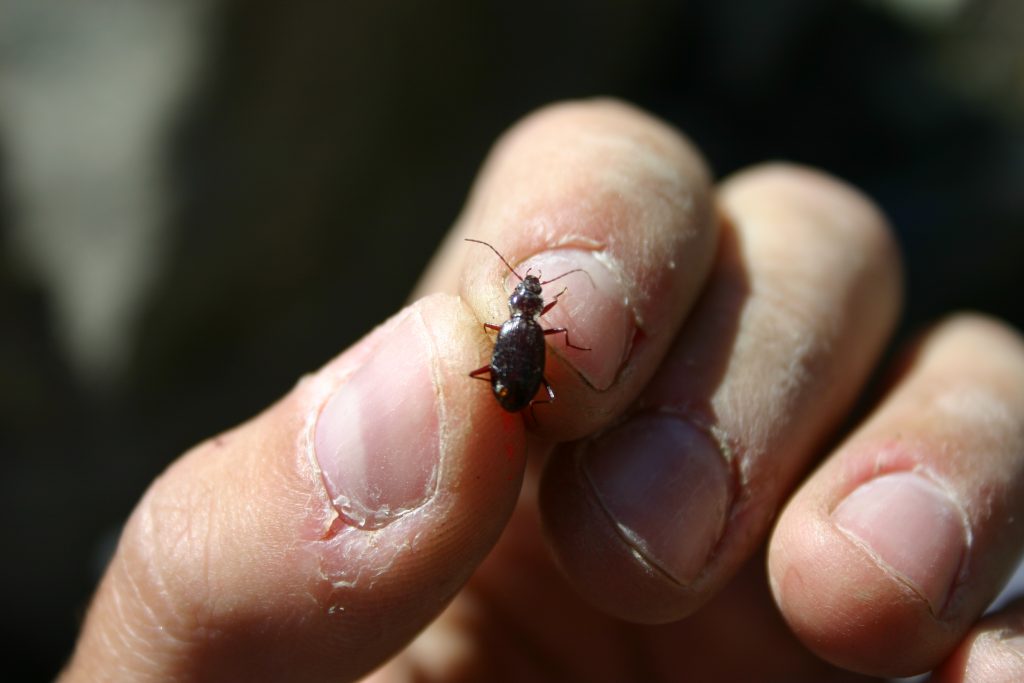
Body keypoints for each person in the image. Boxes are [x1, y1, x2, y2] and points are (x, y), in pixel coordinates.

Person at [58, 100, 1024, 682]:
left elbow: (528, 355)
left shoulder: (518, 334)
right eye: (527, 292)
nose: (527, 297)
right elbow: (525, 356)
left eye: (527, 291)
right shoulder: (520, 335)